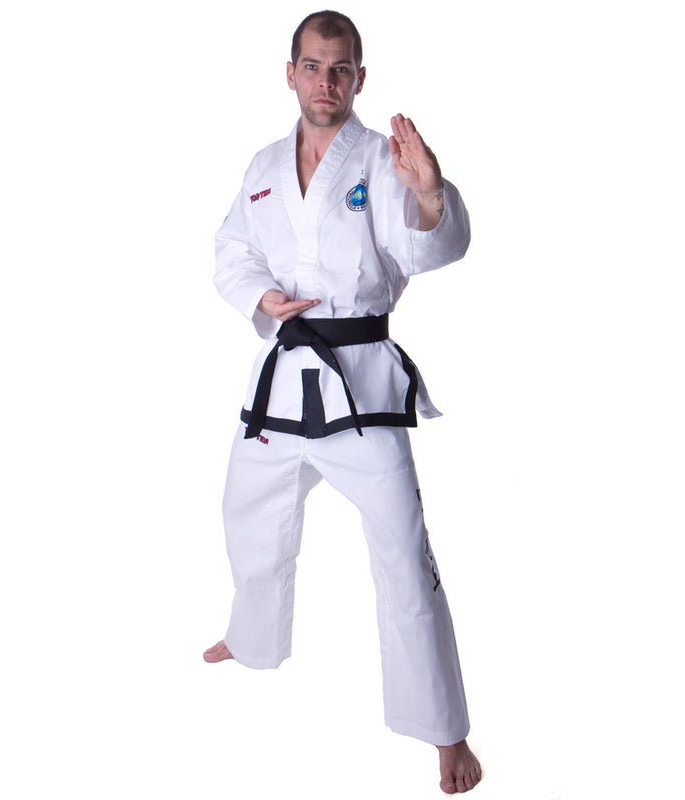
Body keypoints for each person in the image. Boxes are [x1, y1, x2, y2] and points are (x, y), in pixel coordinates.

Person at [203, 10, 482, 794]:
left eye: (341, 68)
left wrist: (429, 193)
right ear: (289, 73)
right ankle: (252, 636)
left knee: (403, 553)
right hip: (286, 373)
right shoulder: (262, 165)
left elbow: (427, 246)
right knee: (245, 510)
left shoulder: (382, 161)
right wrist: (261, 296)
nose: (326, 81)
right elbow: (231, 251)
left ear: (360, 77)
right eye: (313, 66)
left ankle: (446, 732)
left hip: (360, 384)